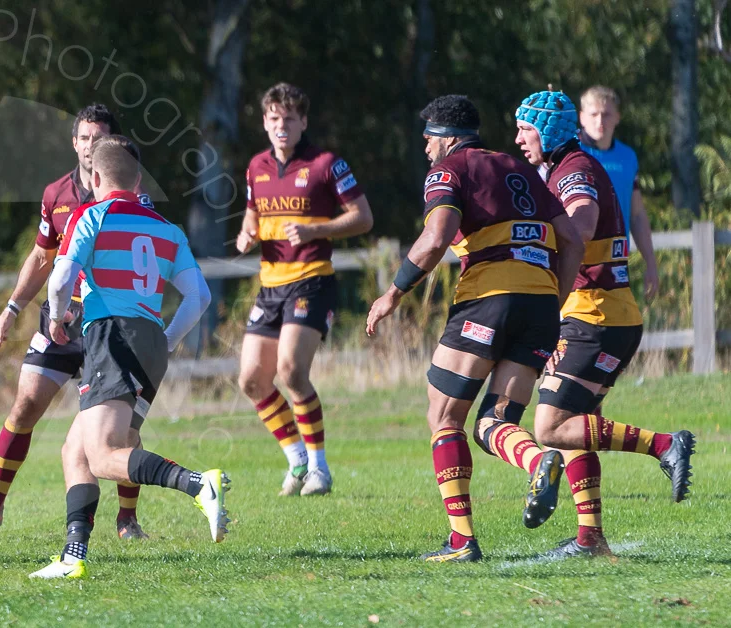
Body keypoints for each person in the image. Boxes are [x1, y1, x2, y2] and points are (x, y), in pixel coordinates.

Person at [365, 95, 584, 563]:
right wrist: (555, 298)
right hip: (540, 304)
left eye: (428, 140)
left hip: (488, 301)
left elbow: (436, 237)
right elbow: (571, 237)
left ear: (446, 138)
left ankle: (463, 540)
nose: (426, 150)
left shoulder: (449, 170)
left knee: (444, 417)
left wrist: (392, 295)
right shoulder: (521, 167)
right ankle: (537, 459)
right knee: (495, 421)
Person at [0, 104, 155, 540]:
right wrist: (10, 309)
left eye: (98, 138)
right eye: (83, 137)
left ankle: (127, 518)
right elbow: (43, 256)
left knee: (119, 429)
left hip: (112, 328)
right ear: (74, 142)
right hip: (61, 321)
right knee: (25, 403)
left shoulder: (135, 197)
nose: (89, 145)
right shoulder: (56, 194)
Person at [28, 135, 225, 580]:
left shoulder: (90, 216)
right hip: (150, 340)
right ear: (137, 180)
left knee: (102, 456)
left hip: (112, 337)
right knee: (74, 450)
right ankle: (73, 556)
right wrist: (168, 339)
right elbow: (199, 296)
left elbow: (60, 280)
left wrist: (57, 320)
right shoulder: (166, 228)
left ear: (95, 178)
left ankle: (197, 484)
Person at [512, 90, 695, 560]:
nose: (518, 139)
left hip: (595, 317)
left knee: (551, 427)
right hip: (601, 314)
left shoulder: (573, 170)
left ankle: (664, 445)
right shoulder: (564, 168)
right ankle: (590, 539)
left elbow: (584, 221)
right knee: (575, 424)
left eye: (525, 129)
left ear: (548, 131)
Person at [235, 83, 373, 496]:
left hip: (311, 280)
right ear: (264, 122)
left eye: (289, 119)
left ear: (303, 123)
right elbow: (251, 215)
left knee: (291, 371)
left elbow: (363, 217)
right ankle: (296, 460)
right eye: (274, 118)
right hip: (269, 286)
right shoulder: (256, 166)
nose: (281, 126)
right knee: (251, 380)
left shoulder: (326, 164)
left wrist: (317, 228)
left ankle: (320, 469)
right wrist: (246, 235)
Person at [577, 86, 660, 302]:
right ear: (582, 117)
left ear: (618, 118)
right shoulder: (571, 153)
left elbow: (637, 214)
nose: (600, 121)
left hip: (616, 263)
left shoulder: (627, 156)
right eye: (594, 114)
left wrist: (651, 263)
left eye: (606, 114)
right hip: (577, 265)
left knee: (618, 330)